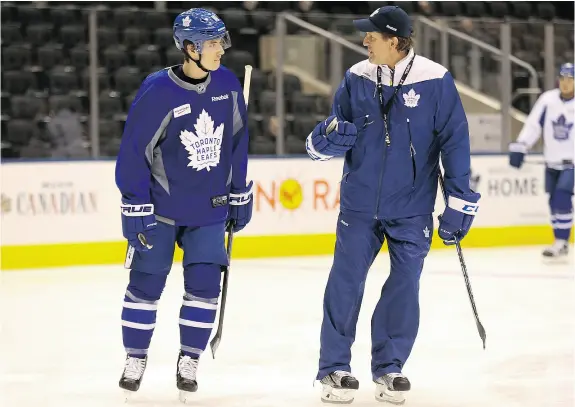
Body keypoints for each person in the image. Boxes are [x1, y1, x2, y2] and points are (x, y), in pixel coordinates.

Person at [305, 6, 480, 404]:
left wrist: (460, 200)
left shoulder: (435, 80)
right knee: (344, 283)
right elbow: (329, 133)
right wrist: (328, 138)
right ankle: (334, 367)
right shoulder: (356, 77)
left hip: (412, 207)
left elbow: (455, 143)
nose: (365, 40)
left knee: (404, 286)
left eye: (373, 35)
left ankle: (390, 366)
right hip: (360, 205)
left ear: (396, 42)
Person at [114, 8, 252, 402]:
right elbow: (133, 153)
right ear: (190, 48)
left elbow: (238, 142)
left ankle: (189, 358)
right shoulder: (158, 90)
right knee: (144, 286)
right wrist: (135, 204)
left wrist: (240, 191)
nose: (221, 50)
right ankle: (135, 357)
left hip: (209, 210)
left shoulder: (227, 84)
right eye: (213, 43)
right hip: (161, 210)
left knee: (206, 288)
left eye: (221, 42)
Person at [509, 63, 574, 258]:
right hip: (551, 161)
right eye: (562, 79)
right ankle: (560, 242)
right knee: (553, 201)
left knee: (562, 197)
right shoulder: (548, 100)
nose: (565, 83)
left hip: (571, 163)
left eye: (570, 80)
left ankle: (561, 241)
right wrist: (521, 145)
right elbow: (533, 125)